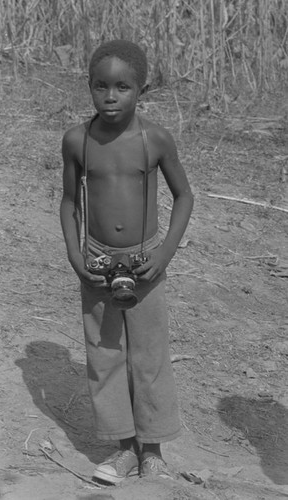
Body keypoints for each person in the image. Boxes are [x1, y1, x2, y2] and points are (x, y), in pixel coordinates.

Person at [60, 39, 194, 484]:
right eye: (100, 86)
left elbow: (184, 196)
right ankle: (122, 450)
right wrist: (77, 256)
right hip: (97, 262)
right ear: (89, 87)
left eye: (122, 87)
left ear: (143, 89)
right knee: (105, 353)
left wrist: (164, 254)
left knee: (149, 354)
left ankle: (152, 449)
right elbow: (68, 202)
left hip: (144, 262)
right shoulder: (77, 140)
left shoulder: (154, 139)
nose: (110, 97)